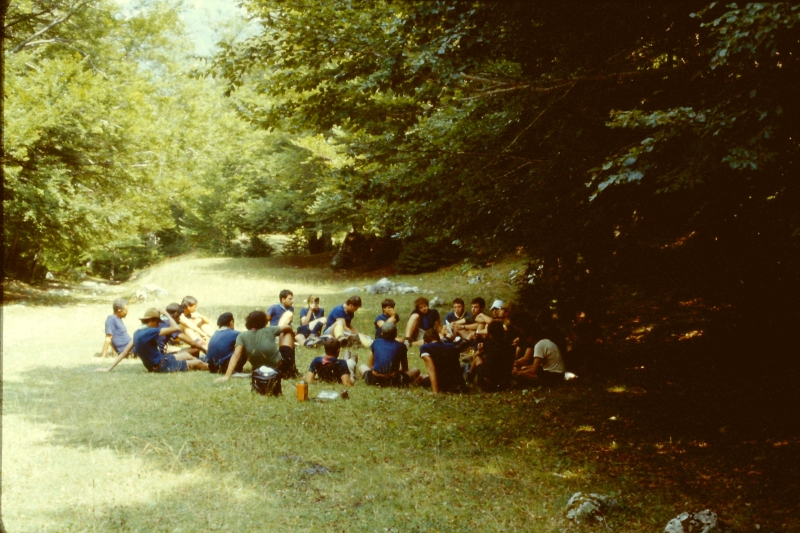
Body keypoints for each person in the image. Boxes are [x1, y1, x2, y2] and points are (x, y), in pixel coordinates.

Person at [97, 308, 208, 373]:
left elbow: (125, 352)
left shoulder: (137, 332)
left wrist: (109, 368)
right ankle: (212, 366)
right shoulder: (151, 331)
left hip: (158, 362)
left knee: (186, 355)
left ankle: (204, 362)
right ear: (151, 321)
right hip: (162, 365)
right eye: (157, 322)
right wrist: (166, 313)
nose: (159, 324)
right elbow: (175, 328)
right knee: (197, 363)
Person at [215, 310, 295, 382]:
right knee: (287, 333)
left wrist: (227, 376)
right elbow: (288, 327)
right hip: (281, 368)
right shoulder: (269, 330)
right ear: (264, 322)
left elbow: (236, 355)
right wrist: (293, 335)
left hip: (261, 372)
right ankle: (292, 367)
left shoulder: (242, 336)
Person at [358, 321, 420, 386]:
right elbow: (405, 369)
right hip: (394, 380)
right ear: (395, 334)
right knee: (416, 370)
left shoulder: (376, 342)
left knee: (362, 367)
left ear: (381, 334)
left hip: (375, 379)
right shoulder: (401, 346)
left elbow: (370, 366)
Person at [468, 321, 515, 391]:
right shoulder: (510, 347)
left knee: (478, 358)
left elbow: (475, 356)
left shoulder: (489, 345)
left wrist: (479, 351)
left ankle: (469, 378)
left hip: (489, 383)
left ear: (490, 334)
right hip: (504, 383)